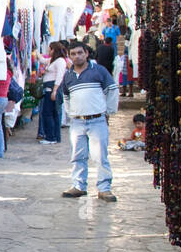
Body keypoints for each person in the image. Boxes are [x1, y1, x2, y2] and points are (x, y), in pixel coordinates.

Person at [61, 39, 120, 201]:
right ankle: (78, 186)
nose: (77, 56)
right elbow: (66, 97)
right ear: (69, 56)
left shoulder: (99, 71)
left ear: (86, 53)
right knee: (77, 155)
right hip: (77, 122)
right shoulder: (68, 76)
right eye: (73, 54)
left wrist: (108, 111)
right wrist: (71, 113)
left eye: (80, 53)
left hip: (96, 120)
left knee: (100, 156)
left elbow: (112, 90)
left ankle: (104, 188)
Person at [39, 41, 68, 144]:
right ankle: (53, 136)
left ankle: (51, 137)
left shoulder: (60, 61)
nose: (48, 51)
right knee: (51, 113)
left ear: (54, 50)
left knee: (48, 113)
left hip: (52, 89)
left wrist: (54, 90)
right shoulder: (53, 60)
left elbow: (60, 76)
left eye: (50, 49)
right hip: (50, 89)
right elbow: (43, 60)